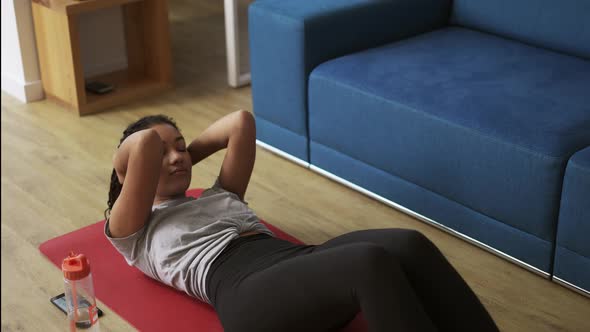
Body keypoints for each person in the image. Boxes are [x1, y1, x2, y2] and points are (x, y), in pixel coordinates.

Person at [104, 111, 499, 332]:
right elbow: (141, 145)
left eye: (181, 146)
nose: (177, 156)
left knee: (407, 244)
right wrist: (158, 155)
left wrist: (179, 158)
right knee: (367, 261)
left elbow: (240, 122)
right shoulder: (134, 231)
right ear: (133, 172)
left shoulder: (220, 196)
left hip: (295, 265)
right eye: (163, 153)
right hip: (245, 295)